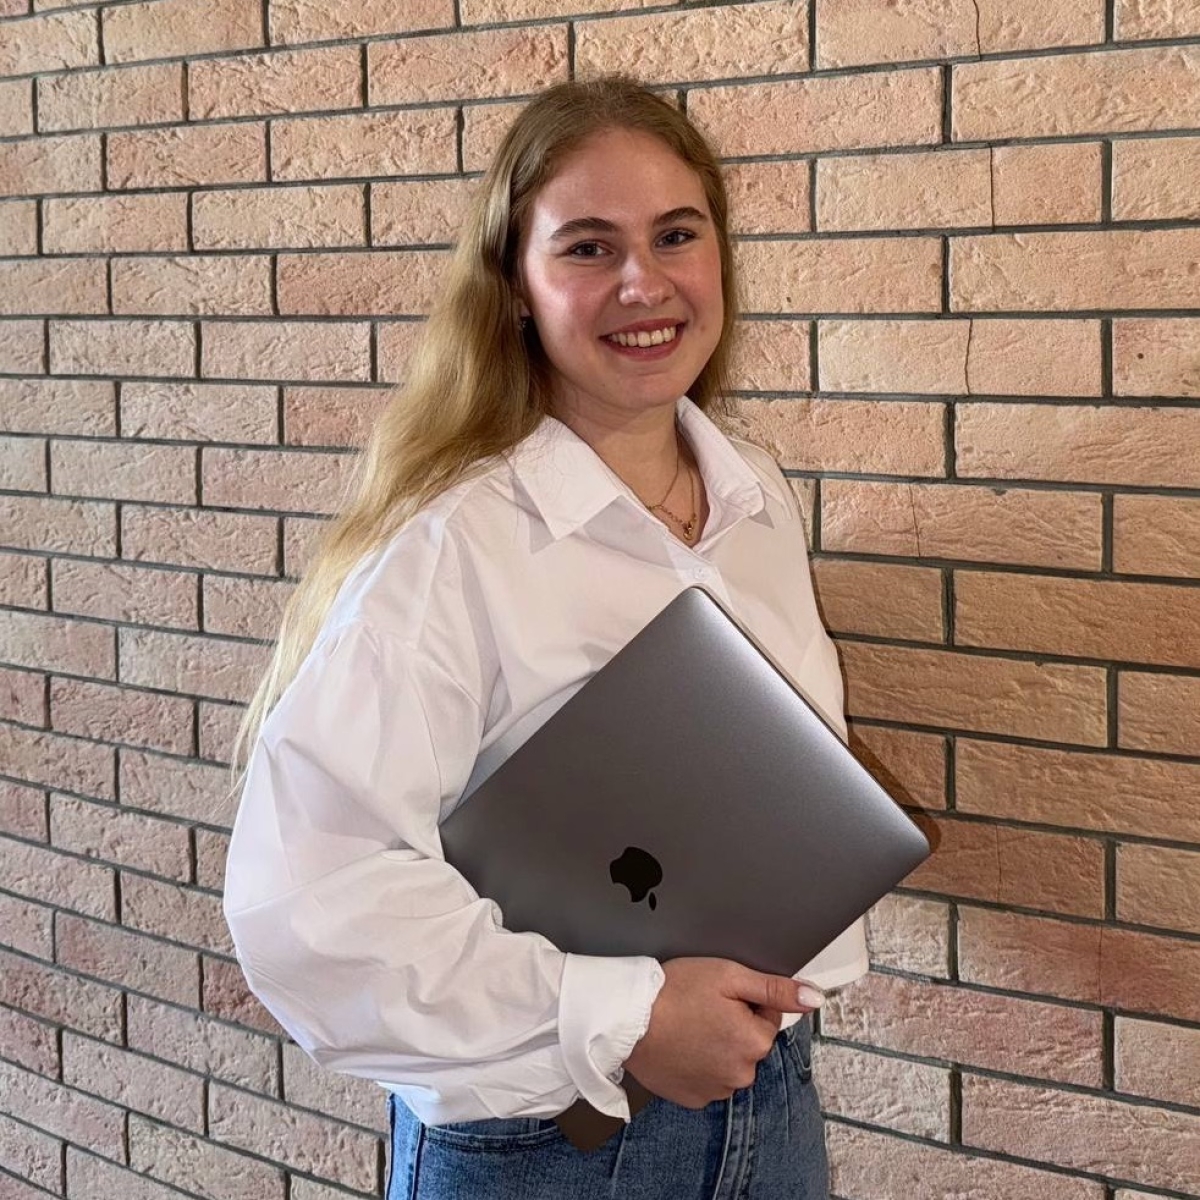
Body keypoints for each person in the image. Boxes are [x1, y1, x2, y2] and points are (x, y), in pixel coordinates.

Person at [224, 76, 867, 1200]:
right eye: (587, 248)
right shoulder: (454, 547)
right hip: (547, 1144)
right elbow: (308, 907)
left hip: (768, 1099)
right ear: (515, 288)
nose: (644, 283)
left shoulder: (755, 497)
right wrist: (629, 1016)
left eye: (677, 235)